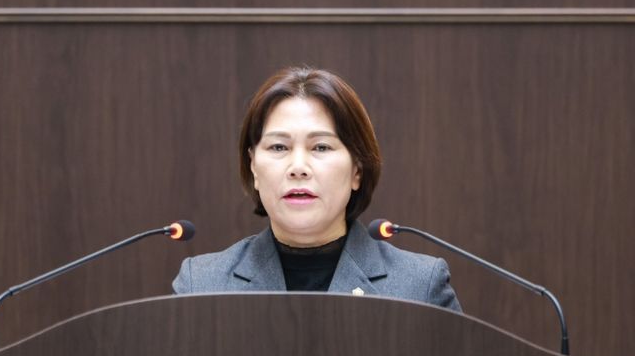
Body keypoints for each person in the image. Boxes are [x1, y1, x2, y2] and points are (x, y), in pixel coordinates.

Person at [173, 66, 461, 312]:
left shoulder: (420, 288)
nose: (298, 167)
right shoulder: (201, 286)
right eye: (279, 147)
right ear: (253, 168)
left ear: (357, 170)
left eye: (321, 147)